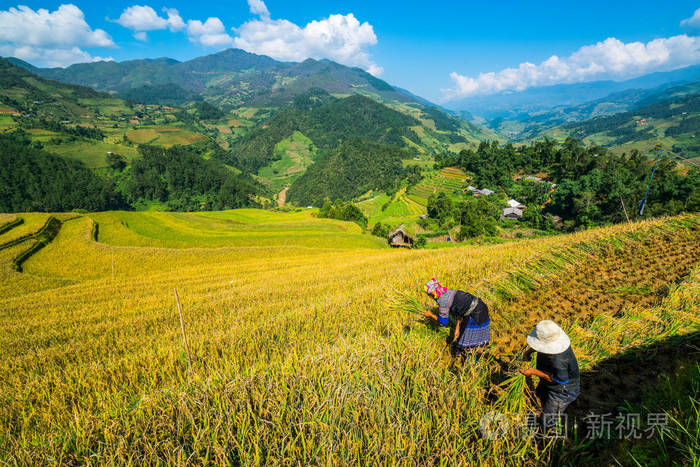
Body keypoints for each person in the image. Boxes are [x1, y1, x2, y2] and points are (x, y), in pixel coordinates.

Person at [520, 320, 580, 435]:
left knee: (548, 419)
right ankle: (543, 410)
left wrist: (533, 371)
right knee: (541, 394)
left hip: (562, 390)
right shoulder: (553, 343)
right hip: (548, 378)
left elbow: (559, 380)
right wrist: (529, 351)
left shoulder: (559, 360)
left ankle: (544, 435)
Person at [423, 278, 490, 357]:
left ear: (432, 294)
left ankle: (471, 362)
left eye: (428, 294)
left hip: (475, 314)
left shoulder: (443, 301)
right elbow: (461, 309)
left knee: (469, 346)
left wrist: (430, 315)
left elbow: (444, 321)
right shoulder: (450, 292)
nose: (429, 296)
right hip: (481, 306)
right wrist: (457, 328)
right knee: (468, 340)